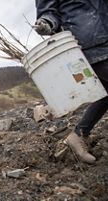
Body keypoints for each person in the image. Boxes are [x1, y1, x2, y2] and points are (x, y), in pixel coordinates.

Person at [35, 0, 108, 164]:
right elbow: (48, 11)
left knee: (106, 93)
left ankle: (78, 135)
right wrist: (47, 22)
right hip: (91, 44)